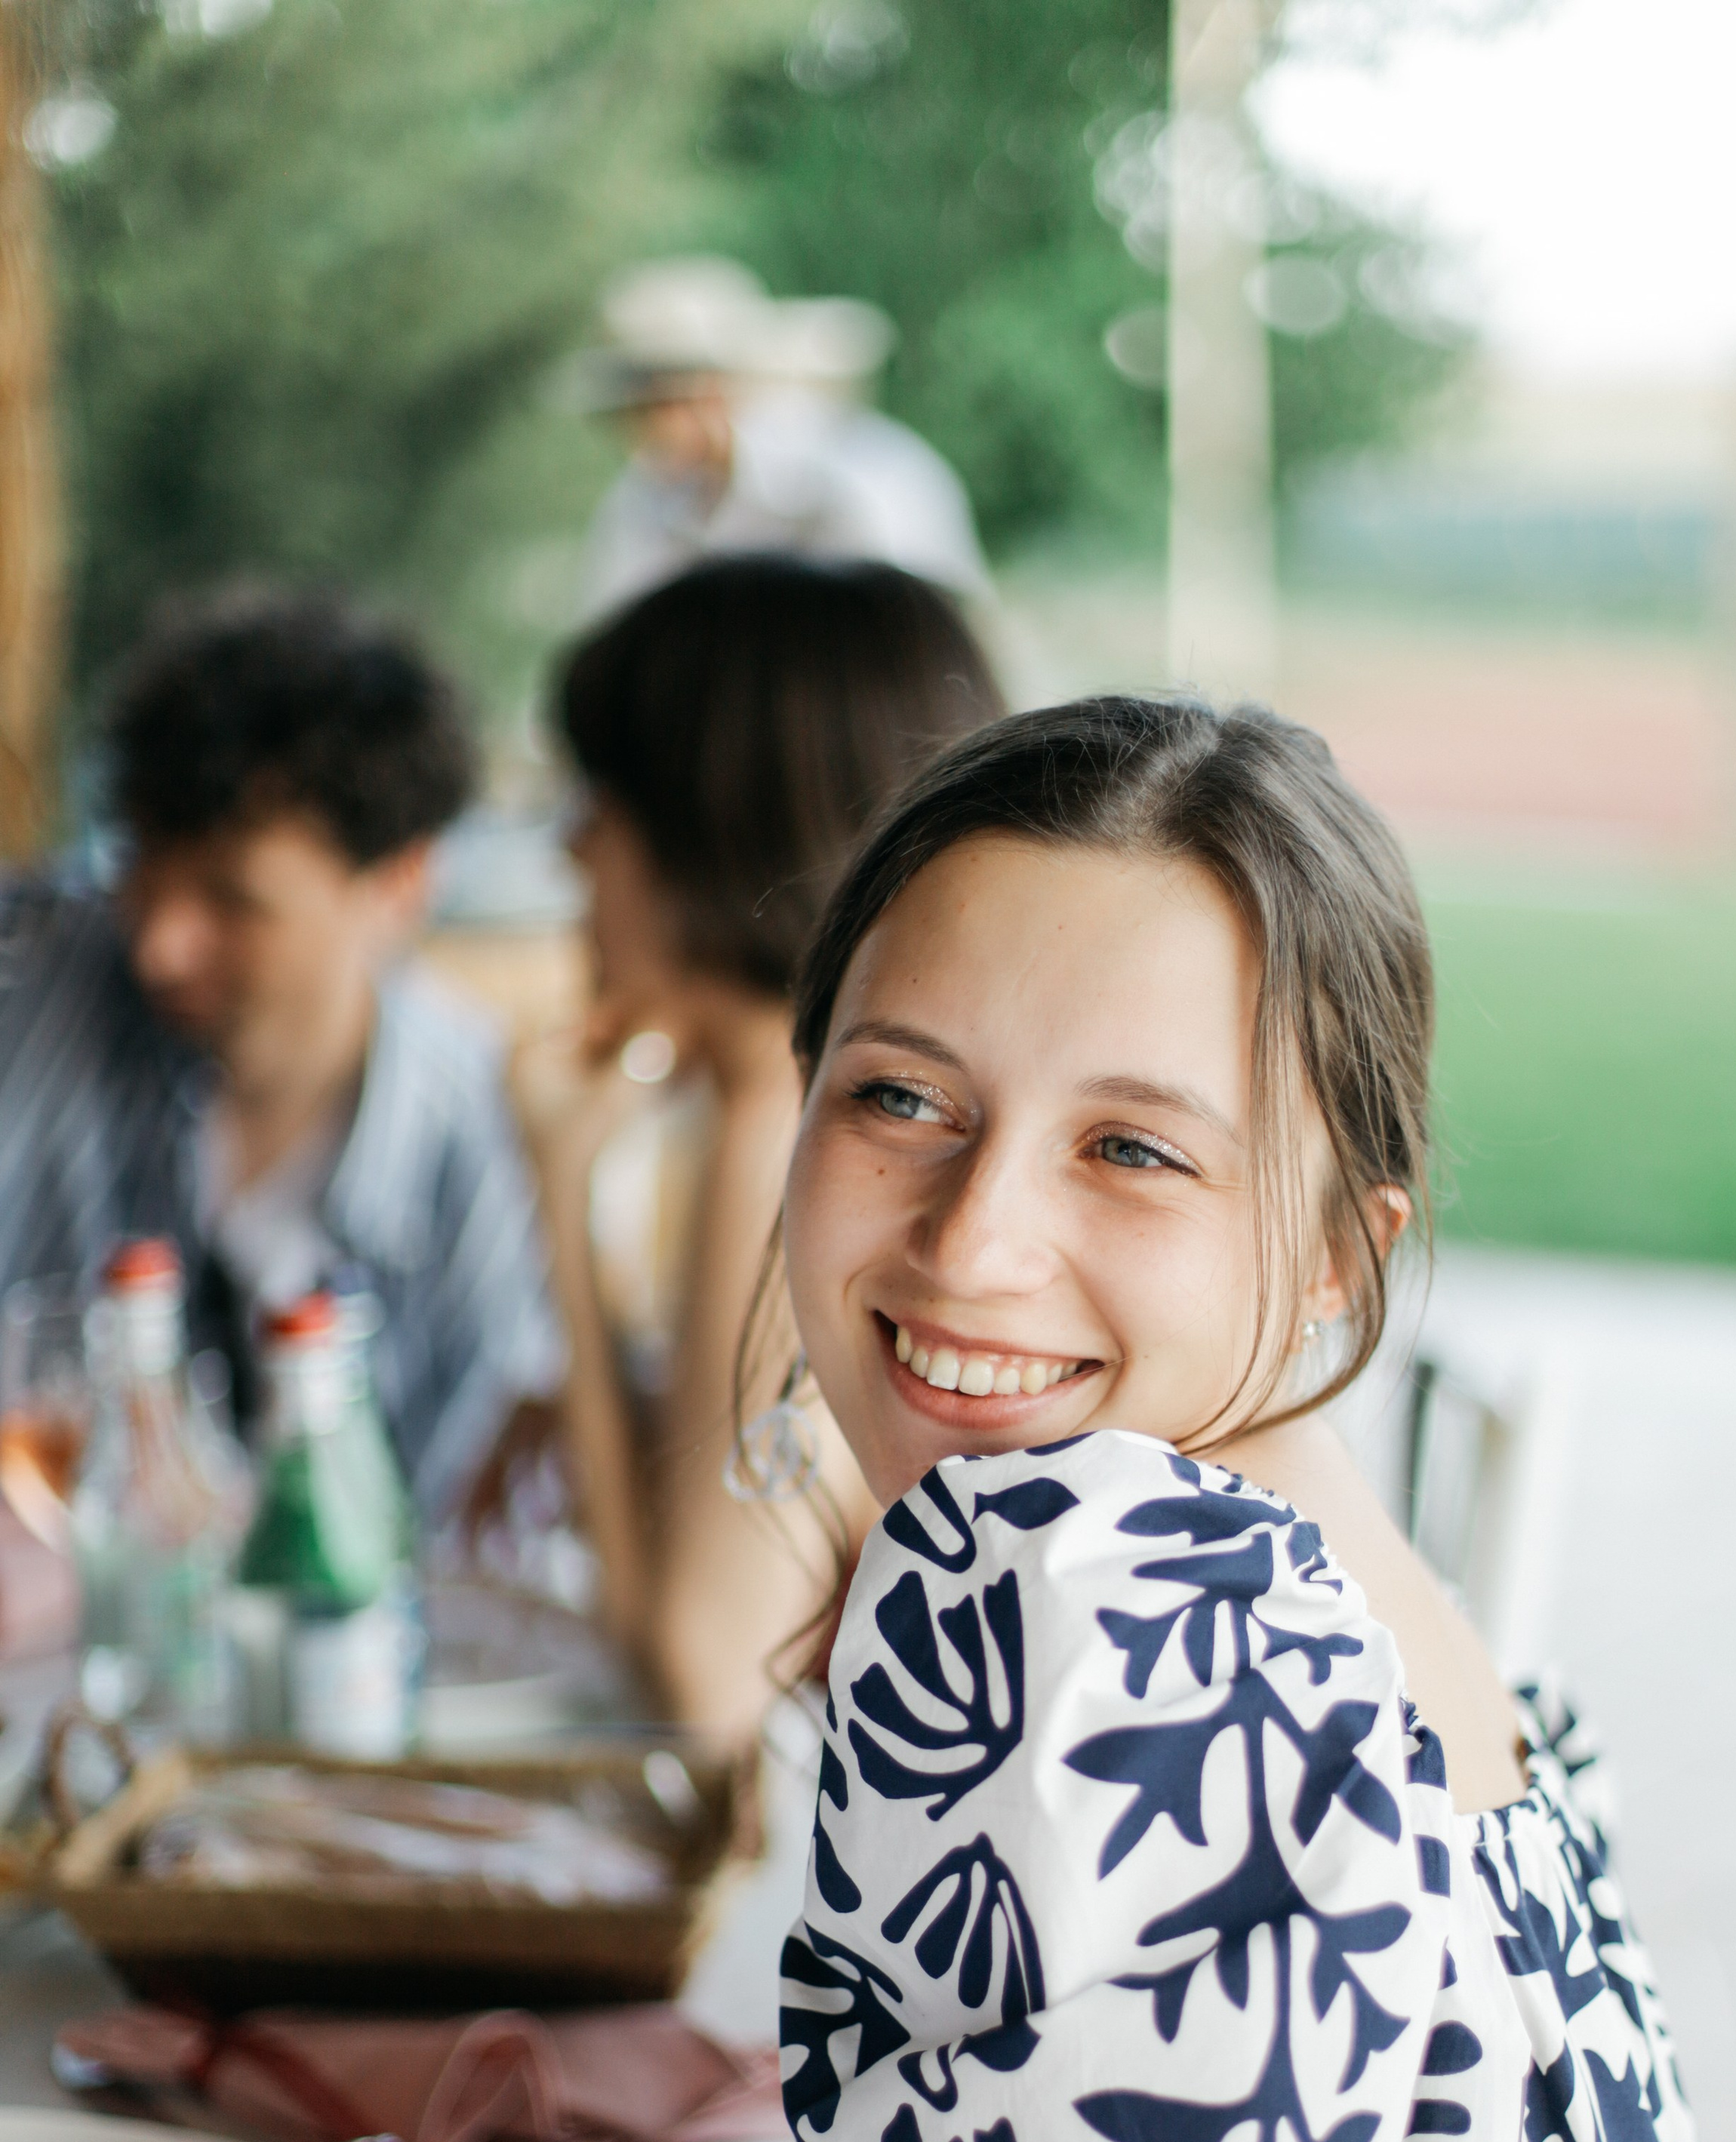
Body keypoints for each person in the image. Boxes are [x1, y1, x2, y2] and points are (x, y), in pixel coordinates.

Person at [448, 698, 1736, 2142]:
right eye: (901, 1098)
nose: (970, 1241)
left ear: (1330, 1256)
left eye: (1134, 1149)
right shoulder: (1305, 1544)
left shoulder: (1093, 1615)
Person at [522, 551, 1002, 1738]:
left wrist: (559, 1202)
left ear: (710, 833)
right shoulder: (853, 1104)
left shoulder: (789, 1126)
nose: (570, 849)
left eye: (606, 800)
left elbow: (702, 1682)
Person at [0, 589, 562, 1525]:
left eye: (233, 899)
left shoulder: (483, 1130)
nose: (160, 946)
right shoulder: (32, 977)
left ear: (399, 884)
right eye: (140, 868)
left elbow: (487, 1527)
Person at [570, 258, 989, 626]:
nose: (631, 433)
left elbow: (919, 633)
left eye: (645, 410)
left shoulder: (845, 479)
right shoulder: (647, 500)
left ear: (702, 395)